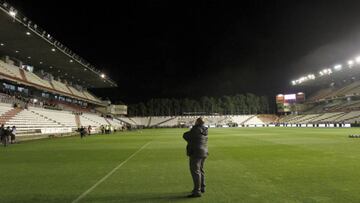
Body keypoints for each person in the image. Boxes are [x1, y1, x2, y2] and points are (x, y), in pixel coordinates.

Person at [183, 117, 208, 198]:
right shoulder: (205, 130)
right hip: (204, 151)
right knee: (201, 170)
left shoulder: (195, 129)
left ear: (197, 122)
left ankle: (197, 191)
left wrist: (192, 129)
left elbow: (185, 135)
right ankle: (202, 187)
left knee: (196, 172)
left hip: (196, 152)